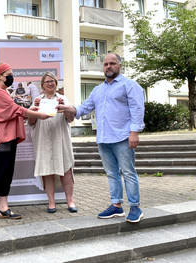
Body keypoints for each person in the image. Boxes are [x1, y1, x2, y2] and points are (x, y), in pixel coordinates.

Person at [57, 53, 145, 223]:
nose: (108, 66)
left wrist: (134, 132)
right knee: (112, 173)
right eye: (105, 64)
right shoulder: (98, 89)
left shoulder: (129, 86)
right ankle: (116, 206)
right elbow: (84, 108)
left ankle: (135, 207)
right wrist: (68, 108)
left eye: (112, 63)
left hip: (123, 137)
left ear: (120, 66)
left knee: (128, 172)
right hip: (104, 139)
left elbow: (137, 109)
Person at [0, 63, 51, 224]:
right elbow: (15, 109)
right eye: (9, 74)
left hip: (5, 138)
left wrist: (34, 109)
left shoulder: (1, 91)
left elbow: (14, 110)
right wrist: (39, 115)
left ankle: (3, 209)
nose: (12, 77)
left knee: (5, 172)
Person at [28, 72, 77, 214]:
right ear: (42, 85)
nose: (50, 83)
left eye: (53, 81)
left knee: (66, 170)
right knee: (47, 171)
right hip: (43, 139)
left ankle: (70, 200)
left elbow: (70, 119)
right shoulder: (37, 100)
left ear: (56, 83)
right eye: (47, 81)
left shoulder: (63, 98)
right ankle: (51, 203)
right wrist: (34, 111)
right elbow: (31, 122)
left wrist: (65, 108)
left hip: (61, 139)